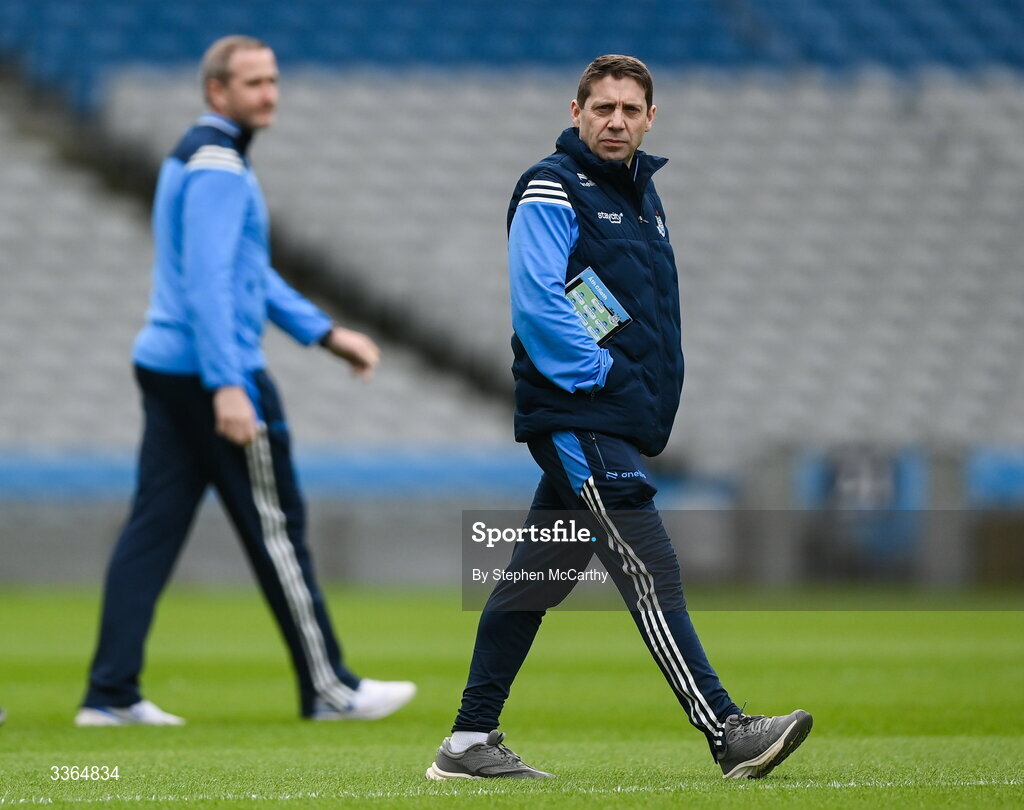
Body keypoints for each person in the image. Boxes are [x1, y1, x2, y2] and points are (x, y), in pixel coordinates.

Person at [426, 55, 811, 780]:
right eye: (602, 108)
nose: (616, 121)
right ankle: (727, 730)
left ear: (650, 119)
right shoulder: (551, 186)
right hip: (581, 413)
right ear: (576, 112)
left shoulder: (640, 195)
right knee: (649, 566)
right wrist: (602, 376)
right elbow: (539, 301)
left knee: (532, 584)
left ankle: (469, 742)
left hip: (613, 414)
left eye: (630, 110)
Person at [76, 35, 415, 726]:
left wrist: (324, 334)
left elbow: (244, 272)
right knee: (278, 529)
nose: (270, 94)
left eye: (273, 80)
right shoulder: (219, 168)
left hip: (167, 366)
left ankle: (110, 695)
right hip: (212, 375)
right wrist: (228, 384)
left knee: (153, 528)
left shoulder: (201, 156)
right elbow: (208, 283)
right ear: (216, 92)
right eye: (254, 82)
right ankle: (329, 689)